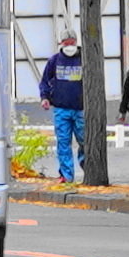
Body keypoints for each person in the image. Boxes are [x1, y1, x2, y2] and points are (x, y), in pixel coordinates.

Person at [39, 33, 86, 185]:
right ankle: (66, 176)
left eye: (72, 43)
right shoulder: (54, 61)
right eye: (66, 43)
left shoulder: (84, 58)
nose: (69, 46)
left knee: (85, 141)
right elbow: (45, 82)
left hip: (81, 109)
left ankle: (87, 167)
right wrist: (45, 97)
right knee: (63, 143)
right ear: (61, 44)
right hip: (61, 109)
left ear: (76, 42)